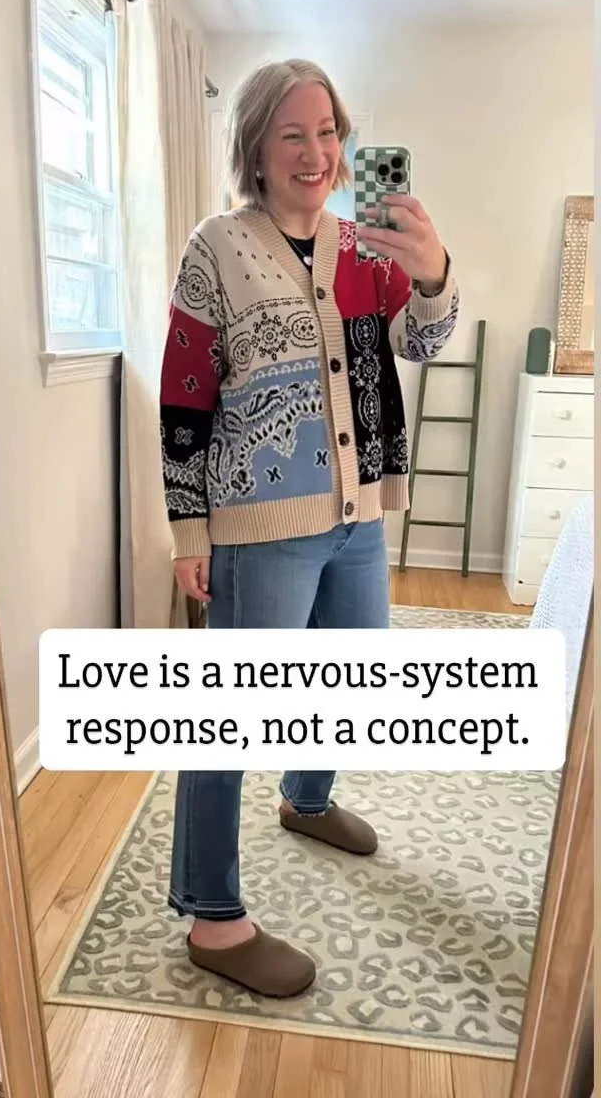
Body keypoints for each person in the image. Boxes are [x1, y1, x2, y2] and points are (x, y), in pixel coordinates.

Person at [159, 58, 459, 997]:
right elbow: (184, 396)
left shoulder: (367, 249)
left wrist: (432, 270)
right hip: (259, 524)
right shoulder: (217, 247)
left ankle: (307, 795)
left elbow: (423, 343)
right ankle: (213, 916)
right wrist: (190, 532)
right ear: (256, 147)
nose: (316, 152)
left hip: (358, 512)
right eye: (293, 134)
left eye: (328, 132)